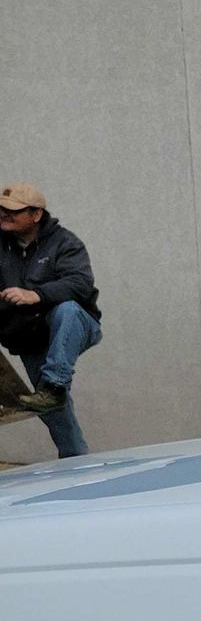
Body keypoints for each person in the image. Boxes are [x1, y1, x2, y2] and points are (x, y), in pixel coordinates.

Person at [0, 182, 101, 457]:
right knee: (54, 411)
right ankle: (76, 463)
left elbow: (80, 284)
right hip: (28, 337)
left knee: (67, 309)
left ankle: (54, 384)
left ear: (36, 214)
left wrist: (36, 295)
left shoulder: (65, 243)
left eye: (13, 211)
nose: (4, 215)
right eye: (1, 209)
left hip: (74, 326)